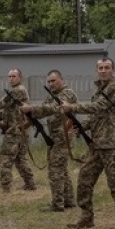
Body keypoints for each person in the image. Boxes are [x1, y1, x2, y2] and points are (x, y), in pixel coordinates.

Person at [61, 58, 115, 229]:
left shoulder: (114, 87)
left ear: (113, 70)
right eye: (100, 68)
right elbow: (95, 117)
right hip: (96, 145)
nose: (103, 71)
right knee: (84, 178)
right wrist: (81, 127)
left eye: (107, 68)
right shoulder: (99, 90)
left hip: (111, 144)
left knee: (114, 183)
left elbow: (99, 107)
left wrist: (72, 107)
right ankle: (86, 217)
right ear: (96, 70)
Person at [42, 70, 77, 212]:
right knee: (62, 169)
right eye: (49, 81)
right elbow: (44, 108)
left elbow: (53, 108)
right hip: (54, 137)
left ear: (62, 80)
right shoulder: (52, 95)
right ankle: (69, 200)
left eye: (53, 81)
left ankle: (57, 204)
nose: (51, 84)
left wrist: (33, 109)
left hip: (64, 137)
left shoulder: (68, 94)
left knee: (55, 169)